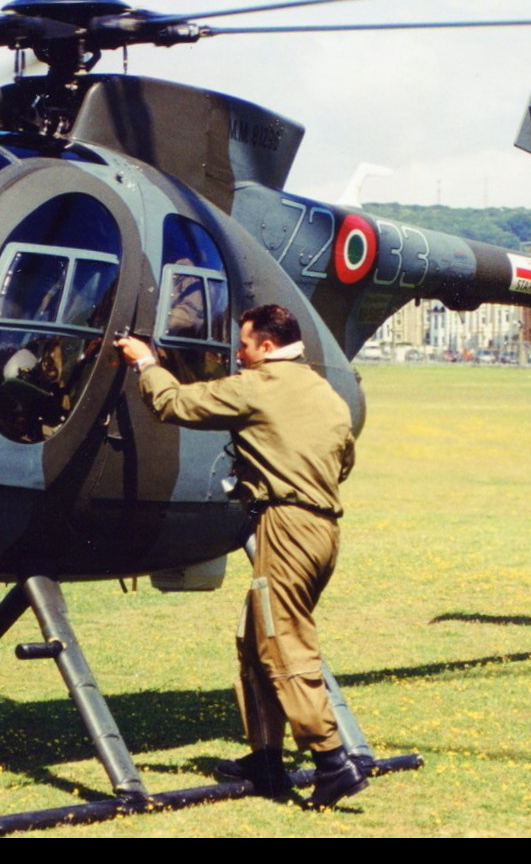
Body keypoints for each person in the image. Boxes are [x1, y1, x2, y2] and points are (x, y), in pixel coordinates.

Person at [115, 304, 366, 809]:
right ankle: (266, 758)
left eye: (246, 346)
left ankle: (333, 761)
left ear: (267, 347)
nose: (241, 356)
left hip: (287, 527)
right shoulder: (326, 394)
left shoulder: (260, 385)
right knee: (254, 638)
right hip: (323, 529)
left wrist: (145, 362)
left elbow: (175, 404)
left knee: (282, 641)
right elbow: (343, 463)